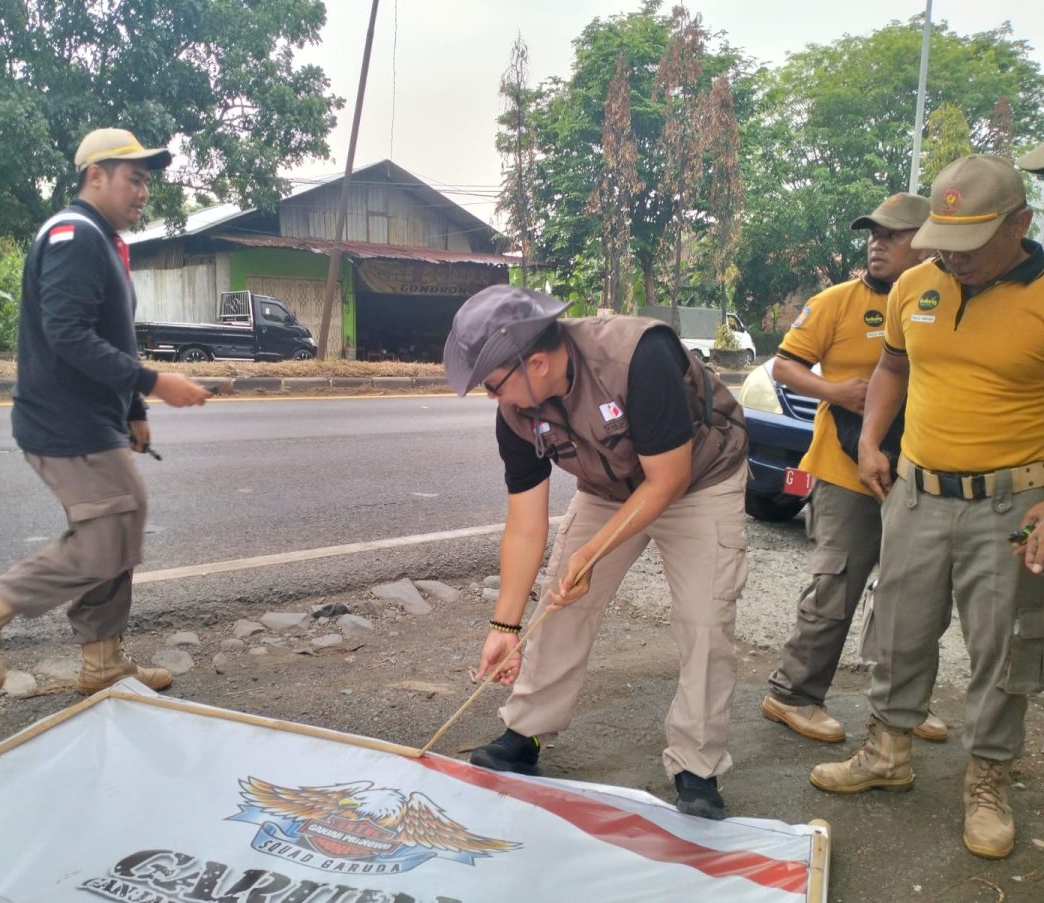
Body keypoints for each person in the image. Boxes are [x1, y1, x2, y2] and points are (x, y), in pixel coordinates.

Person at [810, 155, 1044, 861]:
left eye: (969, 243)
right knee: (899, 630)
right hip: (915, 489)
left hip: (1011, 503)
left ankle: (988, 779)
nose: (952, 256)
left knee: (1003, 648)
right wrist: (875, 440)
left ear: (1021, 224)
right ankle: (887, 751)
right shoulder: (917, 282)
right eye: (943, 238)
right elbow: (893, 366)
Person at [443, 285, 748, 820]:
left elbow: (667, 479)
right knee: (562, 602)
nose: (496, 400)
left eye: (494, 386)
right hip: (610, 491)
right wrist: (506, 629)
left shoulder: (638, 356)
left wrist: (593, 555)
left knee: (705, 620)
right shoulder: (518, 412)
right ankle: (526, 732)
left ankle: (697, 766)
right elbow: (524, 524)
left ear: (535, 362)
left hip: (698, 480)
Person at [0, 128, 211, 695]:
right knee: (112, 529)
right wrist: (156, 382)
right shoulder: (73, 235)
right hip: (63, 421)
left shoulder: (102, 241)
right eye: (133, 179)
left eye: (146, 183)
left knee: (117, 522)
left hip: (92, 419)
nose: (142, 193)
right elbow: (67, 334)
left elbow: (115, 336)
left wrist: (133, 406)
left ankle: (103, 662)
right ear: (95, 176)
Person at [761, 193, 947, 744]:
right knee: (836, 586)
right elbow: (784, 364)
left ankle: (901, 703)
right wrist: (833, 390)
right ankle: (793, 694)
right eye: (874, 233)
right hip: (845, 472)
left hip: (919, 474)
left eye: (893, 234)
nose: (877, 243)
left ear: (930, 243)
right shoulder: (837, 302)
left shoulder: (943, 302)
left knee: (916, 593)